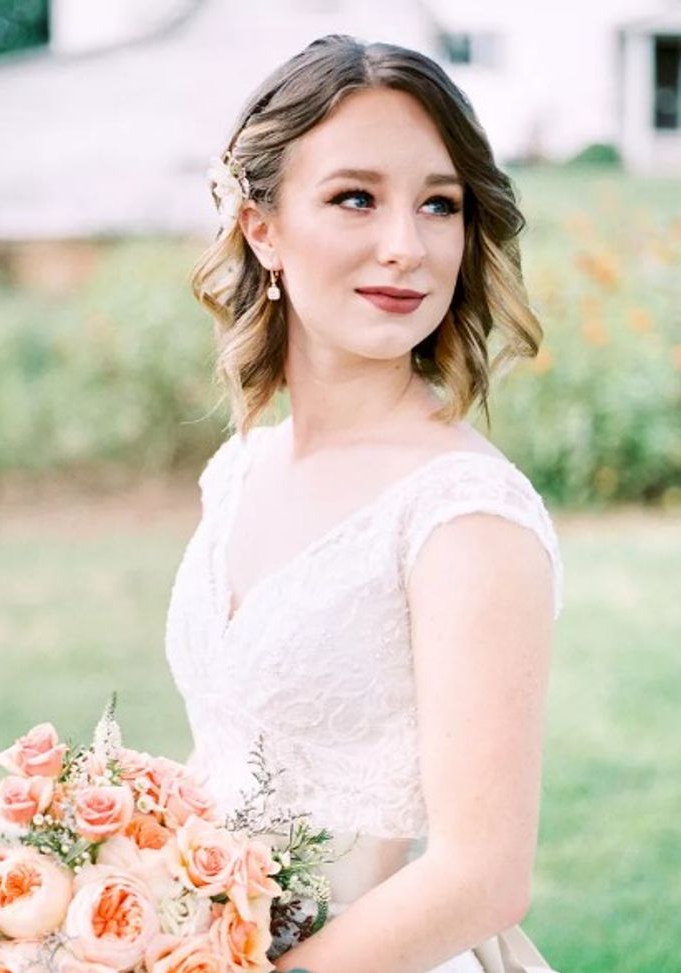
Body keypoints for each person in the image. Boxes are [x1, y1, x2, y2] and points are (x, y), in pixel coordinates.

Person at [165, 33, 564, 973]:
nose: (406, 246)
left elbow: (483, 876)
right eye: (356, 197)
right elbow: (231, 750)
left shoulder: (465, 515)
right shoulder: (242, 469)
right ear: (262, 227)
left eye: (440, 204)